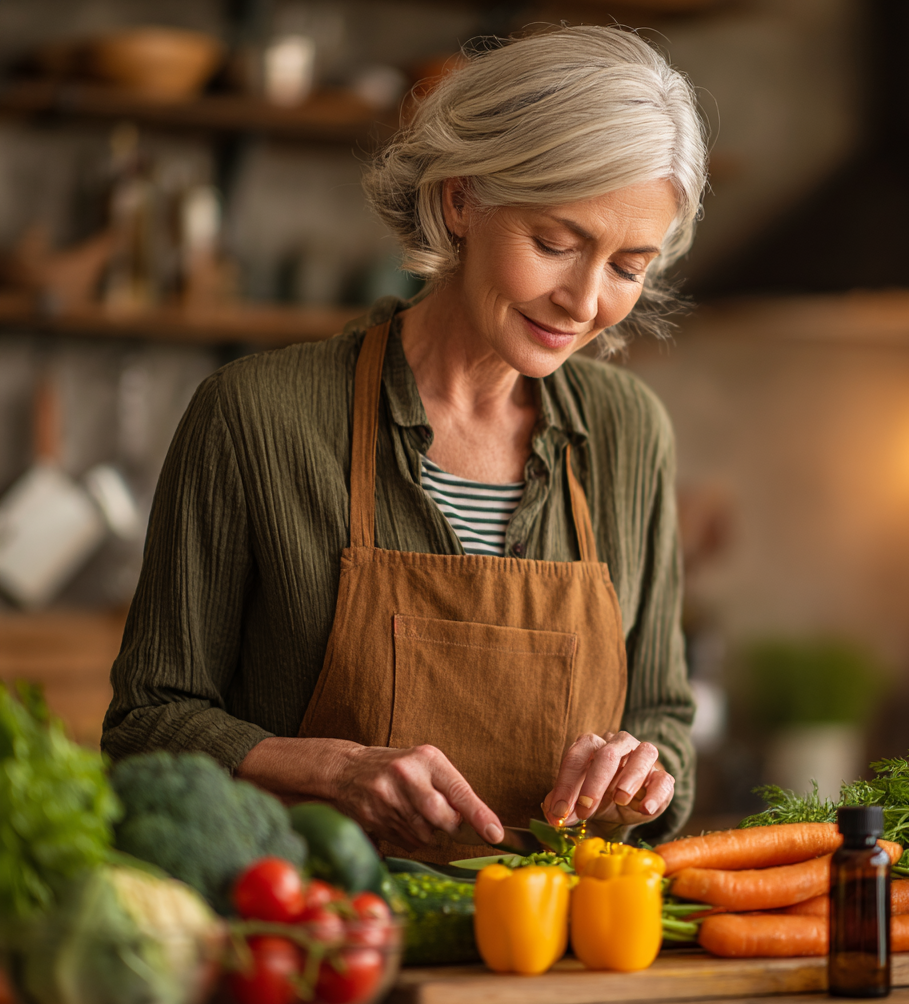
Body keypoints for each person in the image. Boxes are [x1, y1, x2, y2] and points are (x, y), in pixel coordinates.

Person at [102, 24, 707, 862]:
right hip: (315, 942)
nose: (584, 300)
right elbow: (145, 725)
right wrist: (327, 773)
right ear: (462, 199)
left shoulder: (629, 434)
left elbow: (665, 719)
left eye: (628, 267)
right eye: (556, 245)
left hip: (560, 958)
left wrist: (645, 773)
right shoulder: (254, 417)